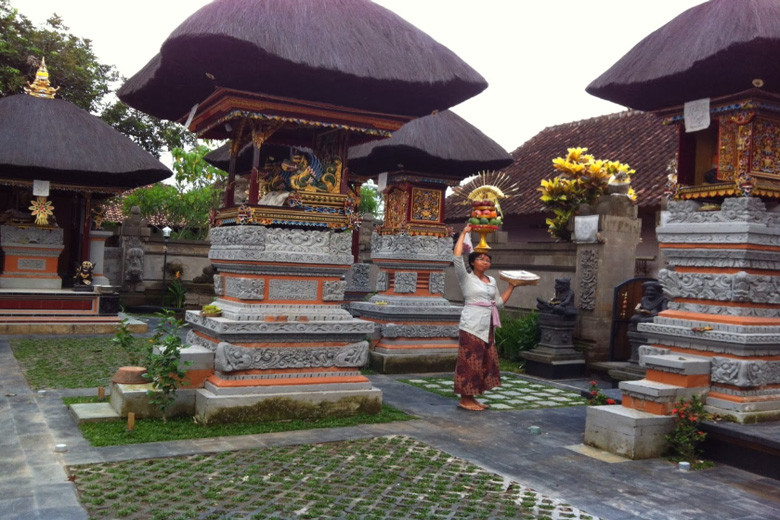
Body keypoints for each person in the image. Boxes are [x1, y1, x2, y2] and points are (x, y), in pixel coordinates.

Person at [452, 224, 518, 411]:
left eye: (488, 260)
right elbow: (457, 258)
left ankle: (473, 397)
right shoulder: (466, 278)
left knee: (483, 362)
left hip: (487, 325)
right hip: (471, 325)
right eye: (481, 259)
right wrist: (464, 233)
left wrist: (512, 286)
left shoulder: (492, 281)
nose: (485, 262)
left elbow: (497, 303)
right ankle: (464, 399)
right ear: (472, 262)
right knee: (469, 361)